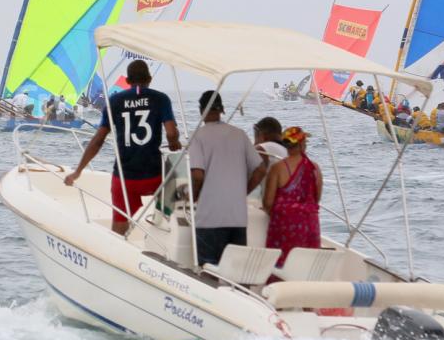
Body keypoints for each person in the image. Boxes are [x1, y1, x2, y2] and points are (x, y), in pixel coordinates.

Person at [64, 60, 180, 235]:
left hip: (125, 178)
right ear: (149, 78)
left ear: (127, 80)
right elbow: (171, 133)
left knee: (119, 226)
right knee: (172, 203)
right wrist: (174, 144)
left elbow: (98, 139)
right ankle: (167, 232)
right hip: (155, 176)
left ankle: (117, 250)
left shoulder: (115, 101)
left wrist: (78, 171)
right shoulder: (160, 99)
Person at [189, 90, 265, 266]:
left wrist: (193, 197)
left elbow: (198, 175)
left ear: (201, 111)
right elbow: (261, 169)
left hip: (210, 217)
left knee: (208, 271)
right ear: (222, 110)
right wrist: (242, 193)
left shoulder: (198, 136)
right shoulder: (239, 134)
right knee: (235, 272)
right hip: (237, 217)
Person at [262, 126, 323, 267]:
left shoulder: (278, 168)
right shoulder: (315, 168)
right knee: (306, 266)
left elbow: (268, 202)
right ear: (301, 144)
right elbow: (316, 198)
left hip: (284, 225)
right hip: (310, 224)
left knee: (281, 265)